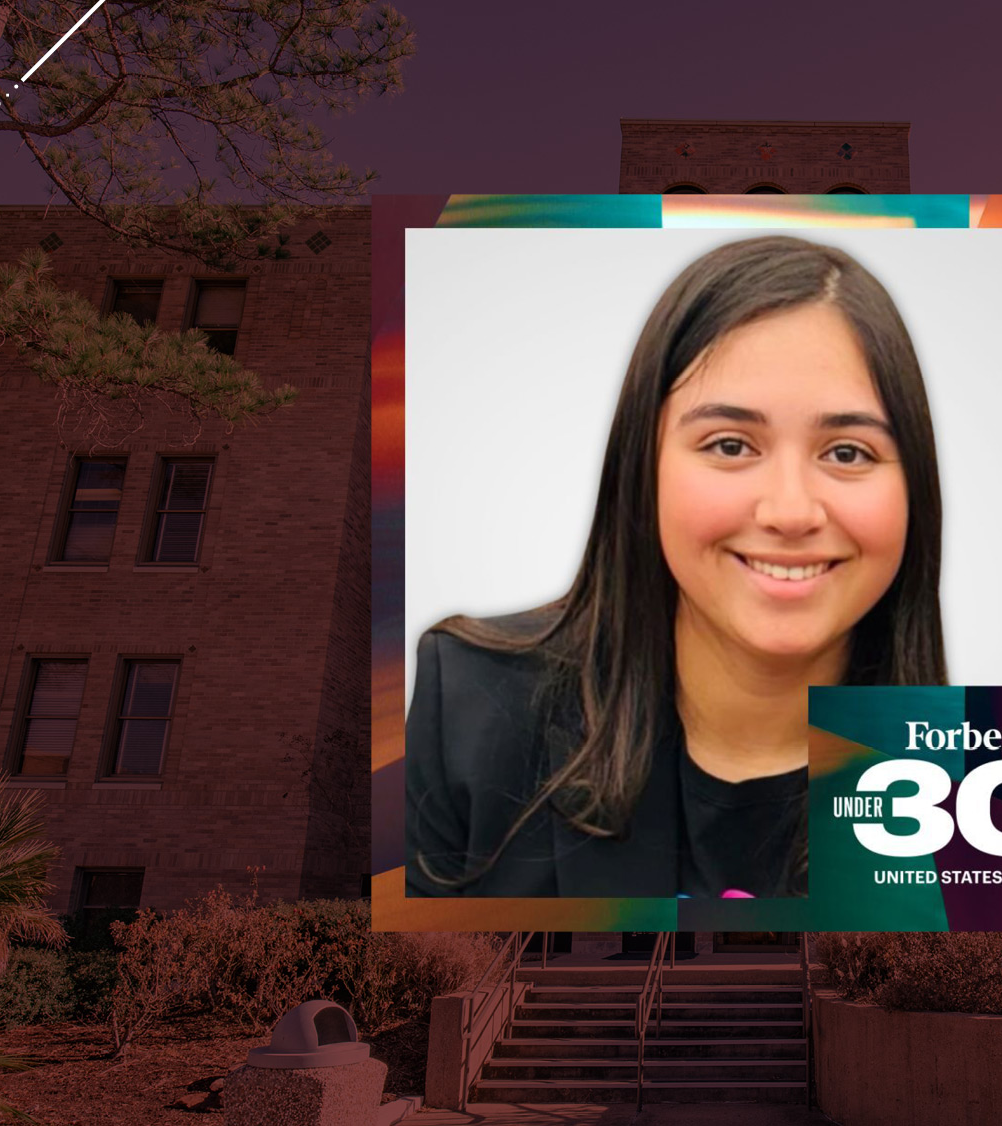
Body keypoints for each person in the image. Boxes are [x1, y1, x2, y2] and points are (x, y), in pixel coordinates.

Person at [403, 234, 947, 898]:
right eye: (729, 444)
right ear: (644, 467)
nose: (790, 511)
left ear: (914, 486)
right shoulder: (470, 705)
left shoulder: (997, 793)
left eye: (848, 453)